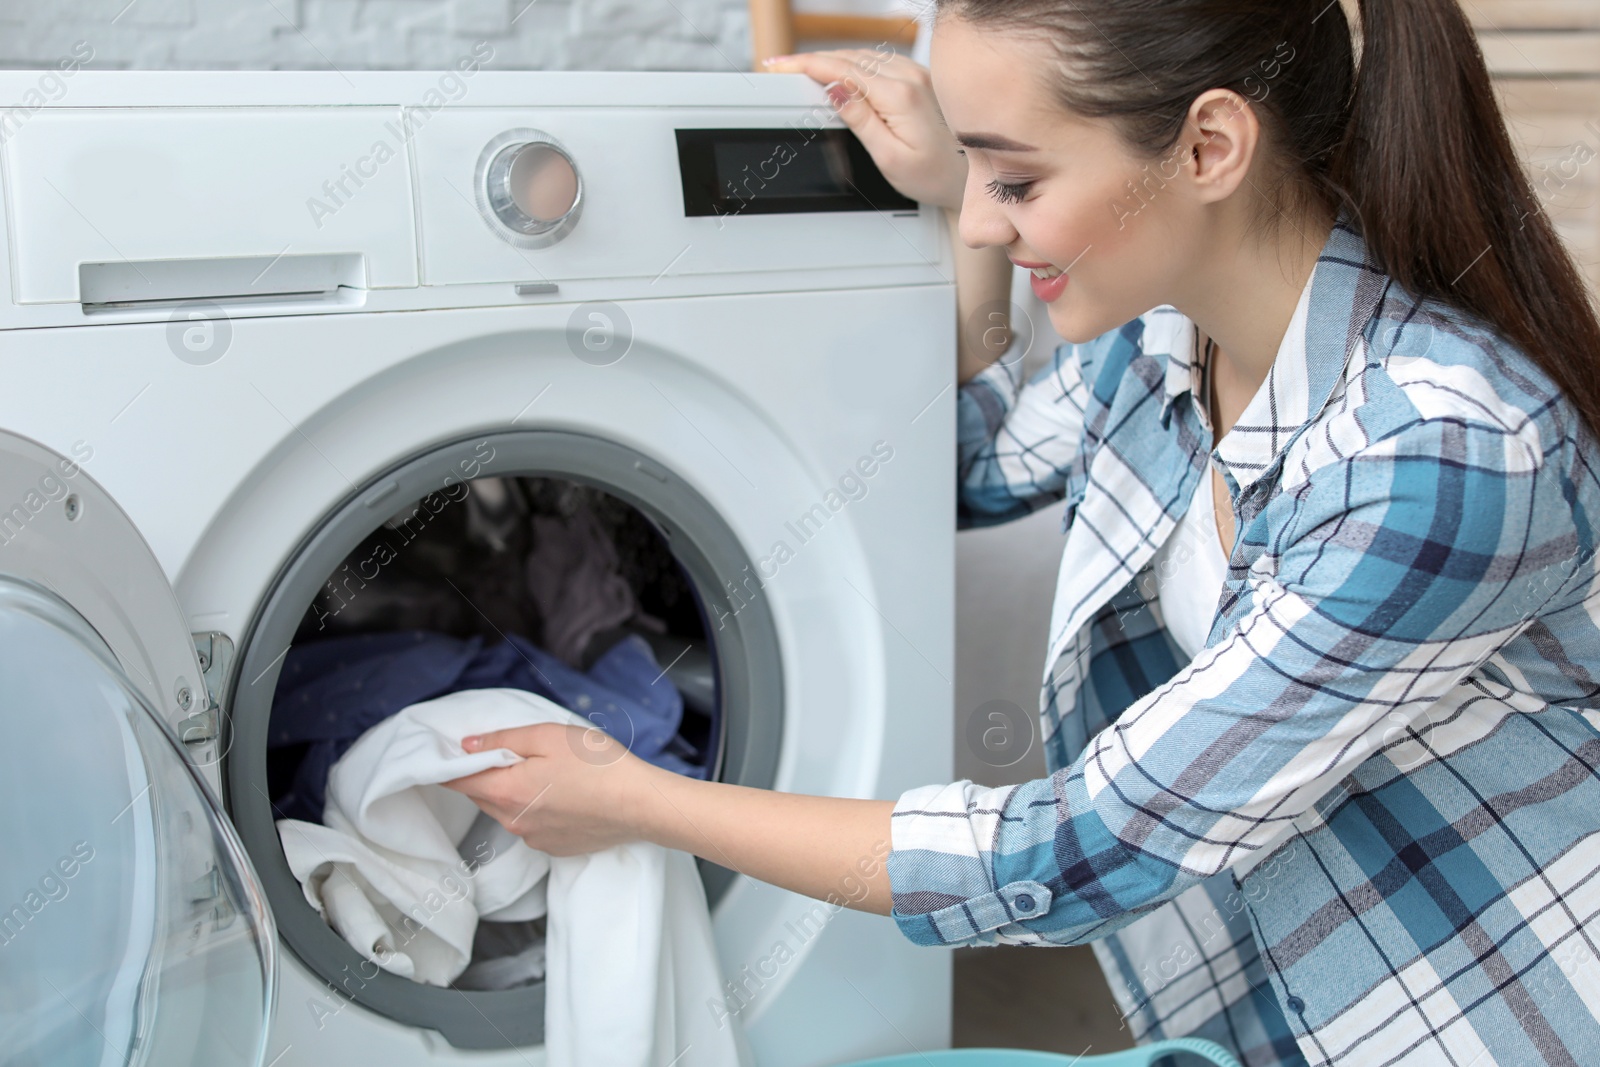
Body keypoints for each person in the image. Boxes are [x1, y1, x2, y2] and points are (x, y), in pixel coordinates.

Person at [445, 1, 1600, 1062]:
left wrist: (635, 796)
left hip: (1494, 1008)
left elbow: (1079, 850)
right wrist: (960, 194)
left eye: (1017, 178)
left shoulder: (1436, 456)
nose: (989, 224)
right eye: (977, 172)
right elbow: (949, 470)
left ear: (1207, 149)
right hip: (1292, 995)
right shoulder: (1160, 345)